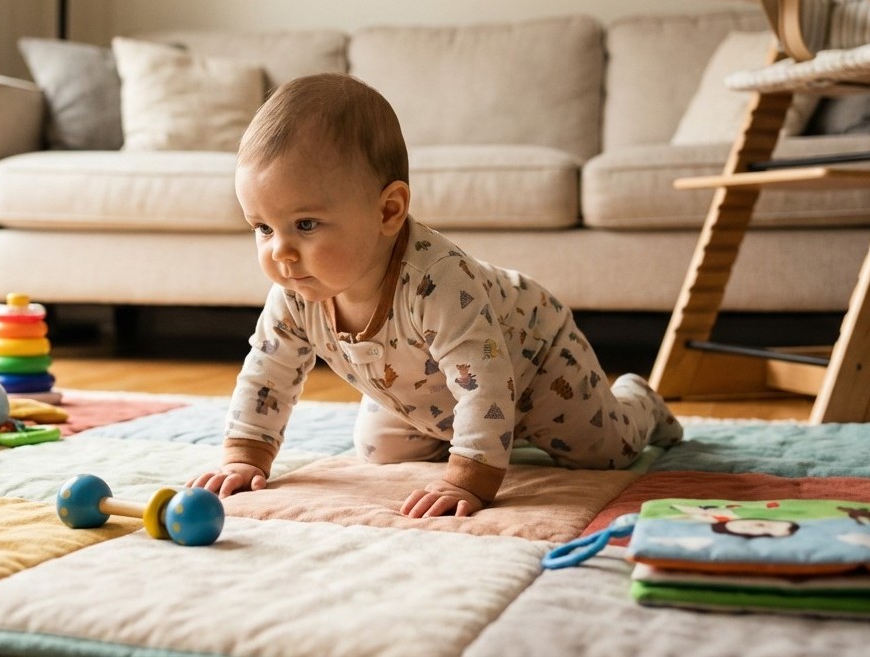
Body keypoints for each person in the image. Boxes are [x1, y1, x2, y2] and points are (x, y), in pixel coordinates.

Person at [187, 73, 683, 518]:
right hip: (423, 391)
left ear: (388, 211)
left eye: (306, 225)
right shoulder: (294, 293)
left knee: (605, 452)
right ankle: (465, 435)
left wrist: (470, 477)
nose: (281, 253)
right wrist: (245, 454)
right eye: (263, 228)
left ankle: (639, 402)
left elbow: (484, 384)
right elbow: (268, 373)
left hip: (534, 361)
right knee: (380, 451)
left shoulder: (438, 282)